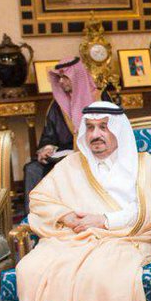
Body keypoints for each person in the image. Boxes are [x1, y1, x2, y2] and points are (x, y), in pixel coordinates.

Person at [16, 102, 151, 301]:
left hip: (123, 238)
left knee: (103, 276)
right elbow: (40, 198)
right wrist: (66, 216)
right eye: (90, 127)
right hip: (73, 238)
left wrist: (104, 220)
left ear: (118, 130)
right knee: (30, 269)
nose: (95, 134)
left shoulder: (142, 165)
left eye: (103, 127)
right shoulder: (71, 164)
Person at [23, 58, 99, 209]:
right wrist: (47, 148)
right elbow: (49, 135)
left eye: (65, 77)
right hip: (62, 157)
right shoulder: (57, 105)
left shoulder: (99, 99)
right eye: (59, 78)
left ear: (76, 76)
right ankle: (33, 216)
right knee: (32, 169)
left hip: (95, 156)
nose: (61, 82)